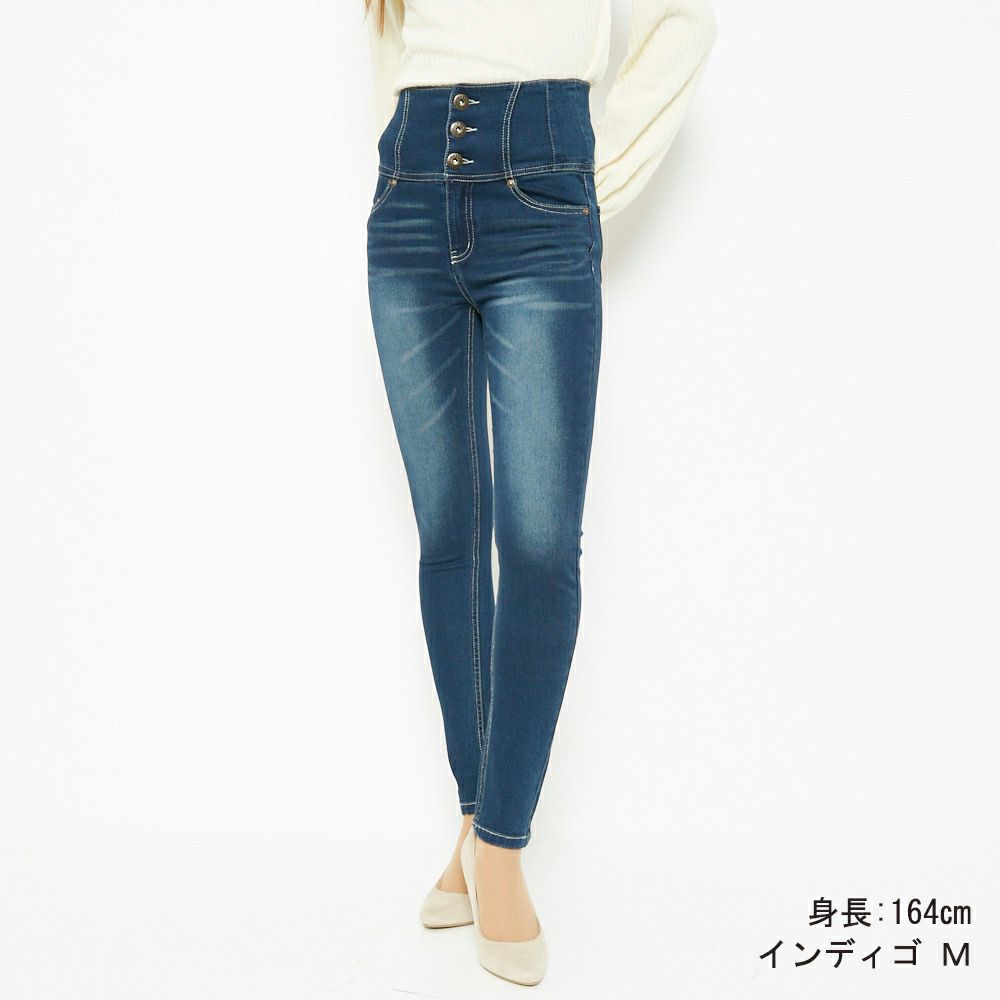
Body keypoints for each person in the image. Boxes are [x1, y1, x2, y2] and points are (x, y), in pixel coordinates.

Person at [363, 0, 716, 985]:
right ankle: (476, 820)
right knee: (447, 533)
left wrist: (582, 182)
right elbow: (393, 42)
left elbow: (684, 20)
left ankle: (501, 846)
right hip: (407, 193)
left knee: (537, 543)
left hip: (542, 182)